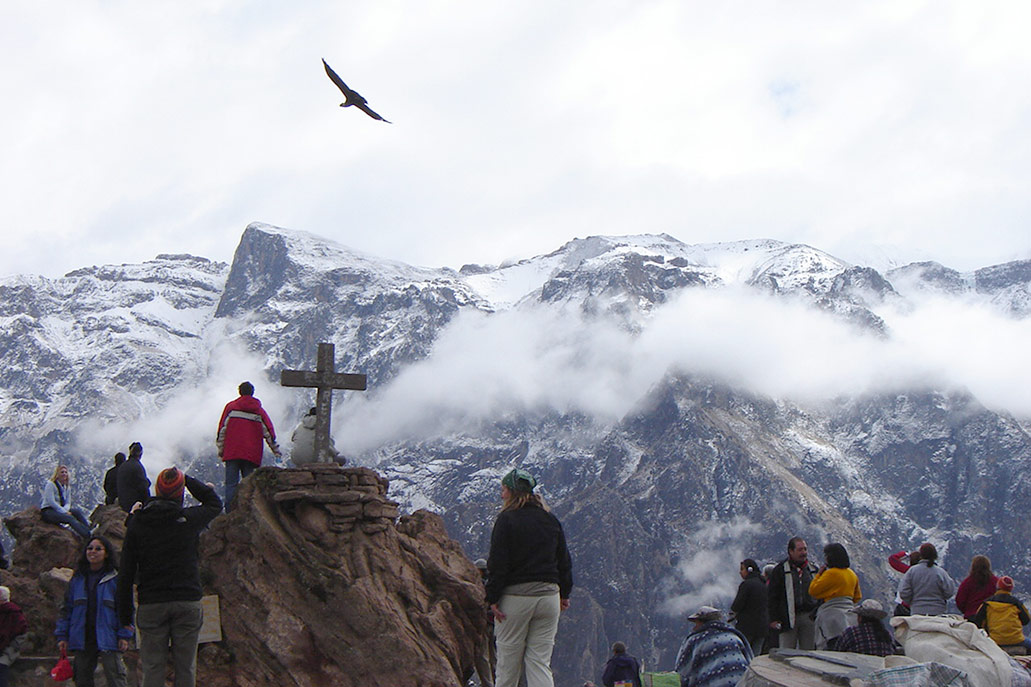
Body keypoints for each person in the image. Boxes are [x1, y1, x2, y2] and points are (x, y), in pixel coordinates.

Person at [117, 467, 222, 687]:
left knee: (153, 667)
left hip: (152, 602)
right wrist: (186, 479)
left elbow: (125, 571)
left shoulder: (138, 522)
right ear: (180, 494)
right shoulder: (188, 519)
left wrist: (125, 616)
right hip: (187, 600)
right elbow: (214, 503)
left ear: (157, 490)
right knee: (186, 668)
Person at [486, 468, 573, 687]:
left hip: (515, 598)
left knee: (508, 662)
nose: (501, 494)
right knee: (539, 661)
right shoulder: (550, 520)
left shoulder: (506, 520)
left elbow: (498, 563)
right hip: (549, 598)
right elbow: (563, 560)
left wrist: (492, 597)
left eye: (504, 490)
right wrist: (564, 593)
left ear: (513, 493)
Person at [55, 536, 133, 687]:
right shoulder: (78, 579)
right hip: (82, 636)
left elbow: (126, 608)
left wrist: (124, 635)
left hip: (109, 635)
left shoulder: (115, 578)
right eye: (90, 548)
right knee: (82, 678)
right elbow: (67, 609)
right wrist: (62, 635)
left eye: (98, 549)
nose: (93, 552)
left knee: (116, 677)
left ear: (107, 553)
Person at [216, 381, 280, 511]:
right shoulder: (259, 411)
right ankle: (247, 511)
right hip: (252, 454)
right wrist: (276, 452)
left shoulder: (231, 408)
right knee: (249, 485)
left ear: (240, 392)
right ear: (252, 392)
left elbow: (222, 430)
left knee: (231, 485)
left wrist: (221, 450)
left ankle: (230, 513)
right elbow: (269, 433)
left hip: (232, 452)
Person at [674, 606, 753, 687]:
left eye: (696, 623)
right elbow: (751, 663)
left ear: (702, 622)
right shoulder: (735, 637)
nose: (694, 627)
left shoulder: (695, 640)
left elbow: (682, 672)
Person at [767, 537, 819, 650]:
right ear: (791, 551)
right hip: (787, 618)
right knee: (786, 651)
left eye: (805, 549)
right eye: (800, 550)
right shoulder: (780, 570)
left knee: (809, 652)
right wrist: (773, 618)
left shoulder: (813, 570)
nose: (804, 553)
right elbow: (772, 596)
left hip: (809, 617)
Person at [808, 543, 862, 650]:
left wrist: (818, 575)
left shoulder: (831, 573)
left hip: (830, 614)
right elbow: (857, 597)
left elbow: (813, 591)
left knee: (827, 643)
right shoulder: (851, 574)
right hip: (849, 614)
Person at [898, 542, 957, 616]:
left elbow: (904, 592)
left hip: (917, 612)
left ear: (921, 555)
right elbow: (950, 591)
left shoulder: (912, 571)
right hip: (938, 612)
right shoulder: (940, 572)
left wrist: (912, 602)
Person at [973, 576, 1031, 651]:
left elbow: (978, 622)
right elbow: (1026, 620)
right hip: (1016, 640)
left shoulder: (987, 604)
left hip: (995, 640)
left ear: (998, 587)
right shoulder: (1016, 604)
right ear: (1011, 588)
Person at [40, 465, 92, 538]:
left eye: (65, 472)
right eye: (62, 472)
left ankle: (89, 530)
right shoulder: (51, 484)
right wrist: (63, 511)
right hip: (49, 511)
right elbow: (51, 501)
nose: (64, 474)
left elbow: (68, 502)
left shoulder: (66, 487)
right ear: (57, 474)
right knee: (69, 518)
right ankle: (87, 535)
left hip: (61, 509)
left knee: (77, 512)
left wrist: (65, 510)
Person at [730, 559, 768, 656]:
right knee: (755, 655)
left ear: (749, 570)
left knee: (743, 654)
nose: (740, 572)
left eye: (742, 569)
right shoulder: (764, 583)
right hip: (762, 627)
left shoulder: (746, 585)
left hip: (746, 627)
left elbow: (737, 605)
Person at [472, 558, 497, 687]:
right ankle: (498, 681)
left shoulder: (479, 585)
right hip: (494, 624)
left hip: (483, 624)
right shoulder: (492, 584)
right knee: (493, 657)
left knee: (482, 656)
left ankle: (487, 684)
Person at [956, 555, 999, 621]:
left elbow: (960, 600)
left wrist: (967, 610)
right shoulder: (995, 582)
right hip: (990, 617)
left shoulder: (967, 582)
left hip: (972, 617)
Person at [0, 586, 28, 687]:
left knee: (1, 666)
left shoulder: (13, 612)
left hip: (8, 649)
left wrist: (11, 647)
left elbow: (21, 633)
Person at [116, 442, 150, 513]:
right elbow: (144, 488)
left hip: (123, 502)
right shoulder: (137, 466)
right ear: (140, 454)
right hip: (132, 505)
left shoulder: (123, 465)